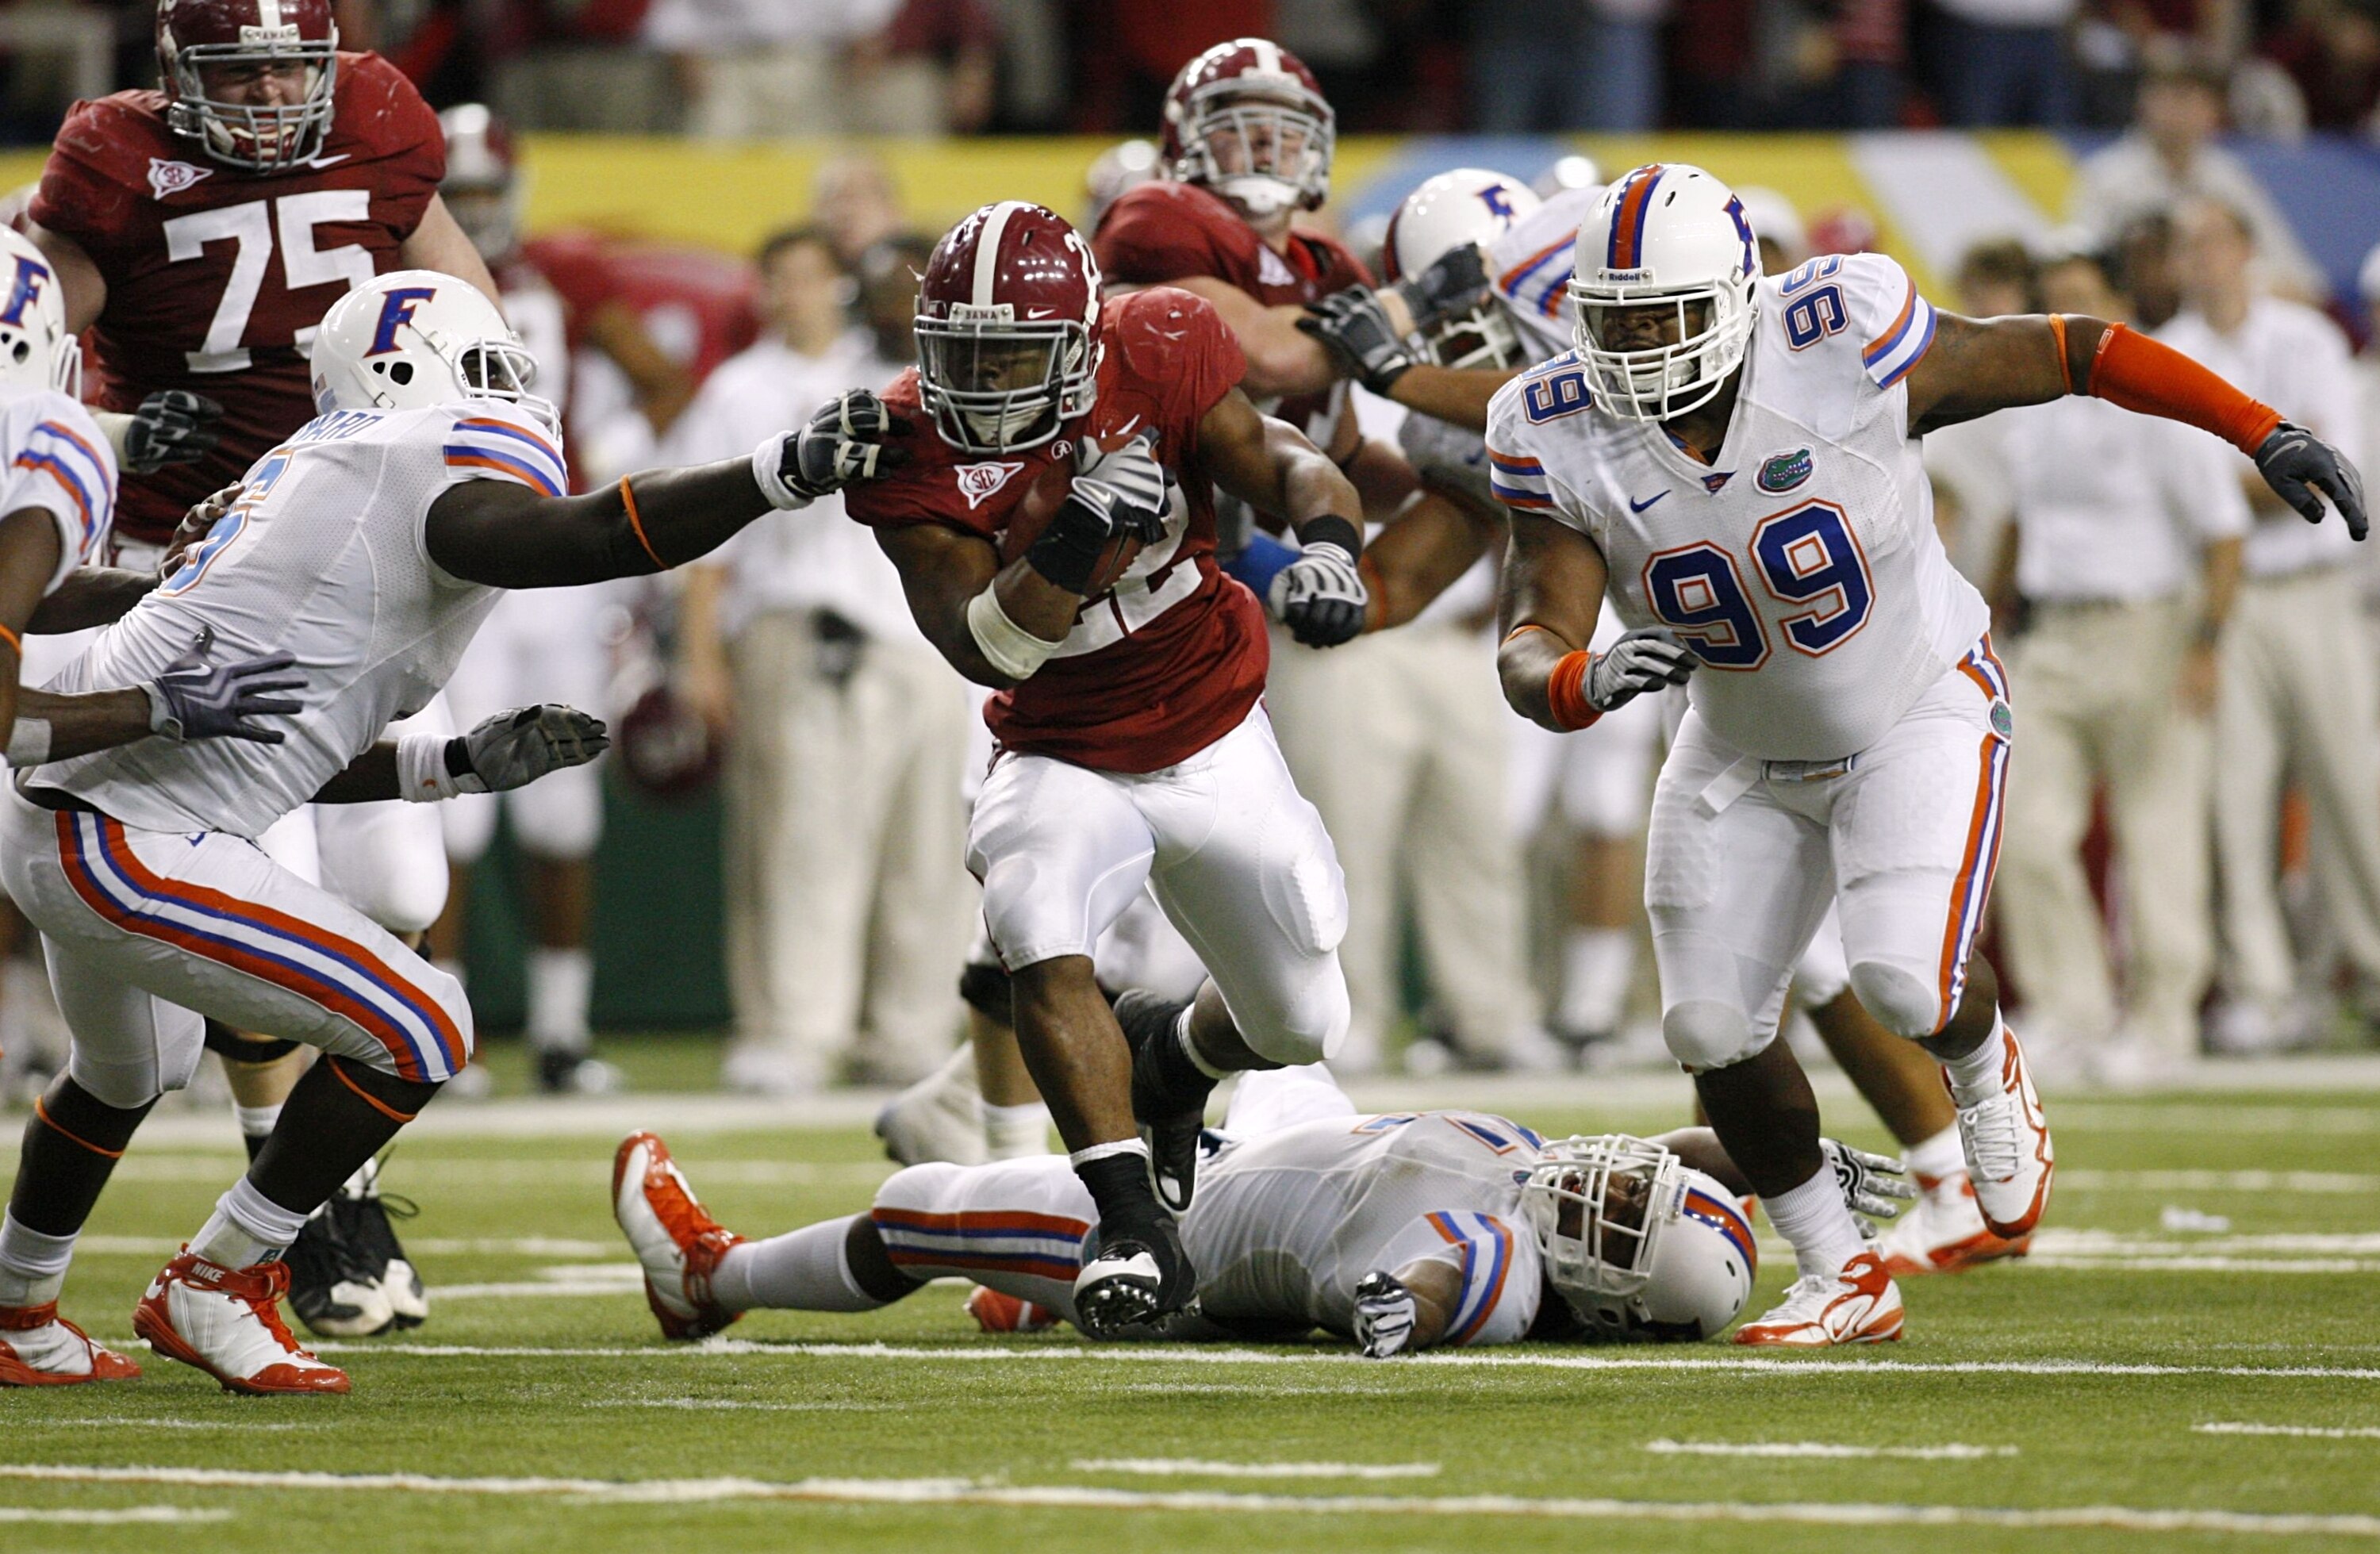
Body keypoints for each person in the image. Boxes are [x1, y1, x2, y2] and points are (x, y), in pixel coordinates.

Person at [1488, 162, 2362, 1345]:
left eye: (1666, 318)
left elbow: (2075, 348)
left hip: (1913, 705)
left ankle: (1987, 1070)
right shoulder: (1552, 424)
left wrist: (2260, 427)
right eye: (1616, 321)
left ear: (1736, 299)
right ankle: (1840, 1270)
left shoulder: (1838, 336)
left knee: (1907, 980)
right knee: (1706, 1027)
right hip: (1738, 746)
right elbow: (1533, 628)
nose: (1637, 348)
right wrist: (1577, 679)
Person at [0, 271, 890, 1393]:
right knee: (426, 1021)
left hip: (77, 811)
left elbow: (275, 741)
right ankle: (220, 1275)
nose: (511, 387)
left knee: (124, 1071)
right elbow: (578, 538)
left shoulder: (317, 474)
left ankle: (17, 1309)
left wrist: (451, 763)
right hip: (122, 832)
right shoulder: (410, 458)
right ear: (409, 369)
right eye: (488, 364)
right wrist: (774, 473)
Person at [21, 0, 504, 1334]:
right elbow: (33, 353)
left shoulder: (384, 120)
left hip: (355, 548)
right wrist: (118, 427)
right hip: (180, 560)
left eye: (295, 67)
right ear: (176, 72)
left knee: (401, 884)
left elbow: (470, 320)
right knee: (252, 886)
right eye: (244, 73)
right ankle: (302, 1216)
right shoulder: (113, 160)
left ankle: (328, 1184)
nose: (275, 95)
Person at [837, 199, 1369, 1335]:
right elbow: (985, 646)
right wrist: (1077, 533)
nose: (983, 381)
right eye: (962, 353)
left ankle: (1170, 1062)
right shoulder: (904, 443)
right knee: (1033, 914)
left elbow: (1278, 457)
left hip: (1212, 723)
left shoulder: (1162, 342)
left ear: (1082, 342)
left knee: (1302, 1023)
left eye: (1013, 354)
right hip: (1060, 740)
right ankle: (1127, 1221)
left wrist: (1329, 547)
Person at [614, 1065, 1912, 1351]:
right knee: (1279, 1009)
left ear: (1614, 1302)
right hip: (1294, 1146)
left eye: (1619, 1217)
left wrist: (1402, 1312)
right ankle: (1030, 1296)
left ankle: (708, 1277)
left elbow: (1441, 1285)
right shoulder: (1554, 1199)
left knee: (919, 1208)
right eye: (1629, 1183)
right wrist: (1784, 1166)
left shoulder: (1499, 1262)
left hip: (1187, 1234)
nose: (1602, 1181)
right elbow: (1667, 1157)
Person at [666, 226, 973, 1096]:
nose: (793, 293)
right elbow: (704, 541)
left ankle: (911, 1029)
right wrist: (699, 656)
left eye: (809, 276)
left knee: (930, 846)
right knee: (801, 843)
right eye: (779, 277)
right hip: (798, 626)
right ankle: (794, 1030)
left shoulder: (906, 375)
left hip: (924, 638)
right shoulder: (740, 387)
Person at [1987, 248, 2247, 1077]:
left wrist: (2206, 643)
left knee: (2158, 829)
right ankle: (2072, 1009)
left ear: (2119, 307)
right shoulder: (2030, 402)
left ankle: (2165, 1023)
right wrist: (1993, 609)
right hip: (2052, 633)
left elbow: (2223, 531)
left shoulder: (2160, 399)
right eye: (2054, 305)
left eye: (2083, 301)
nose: (2069, 321)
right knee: (2026, 827)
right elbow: (2024, 520)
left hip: (2149, 626)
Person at [430, 102, 624, 1097]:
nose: (473, 211)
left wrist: (621, 447)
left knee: (565, 804)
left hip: (557, 561)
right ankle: (444, 1029)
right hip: (461, 562)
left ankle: (560, 1030)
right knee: (453, 806)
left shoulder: (562, 277)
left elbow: (661, 376)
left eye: (484, 192)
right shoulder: (399, 281)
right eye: (456, 194)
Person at [2159, 198, 2380, 1051]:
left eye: (2213, 240)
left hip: (2318, 591)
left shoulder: (2307, 337)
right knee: (2235, 800)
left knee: (2353, 789)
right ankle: (2264, 989)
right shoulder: (2171, 350)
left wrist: (2228, 486)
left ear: (2245, 247)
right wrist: (2268, 472)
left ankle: (2368, 967)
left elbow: (2330, 471)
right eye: (2186, 245)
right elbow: (2185, 489)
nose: (2201, 257)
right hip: (2227, 597)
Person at [2069, 52, 2325, 301]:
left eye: (2192, 99)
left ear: (2213, 111)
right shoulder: (2107, 177)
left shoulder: (2228, 176)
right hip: (2138, 313)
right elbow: (2079, 266)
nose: (2178, 111)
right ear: (2143, 103)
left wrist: (2250, 283)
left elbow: (2297, 274)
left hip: (2216, 311)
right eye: (2168, 96)